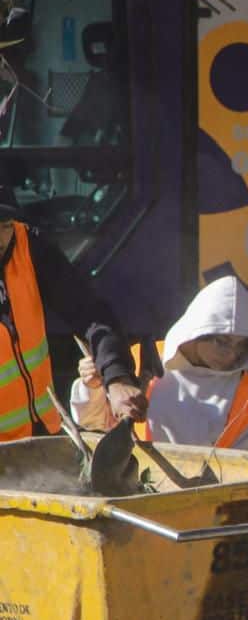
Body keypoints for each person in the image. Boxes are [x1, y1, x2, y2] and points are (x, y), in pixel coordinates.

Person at [0, 185, 145, 441]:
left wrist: (117, 378)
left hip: (42, 438)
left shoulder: (28, 244)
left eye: (6, 225)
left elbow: (89, 313)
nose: (1, 239)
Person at [69, 276, 248, 450]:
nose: (232, 355)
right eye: (221, 342)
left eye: (242, 347)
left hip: (209, 484)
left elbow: (245, 464)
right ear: (198, 332)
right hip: (136, 478)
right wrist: (93, 387)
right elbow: (92, 420)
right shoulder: (137, 359)